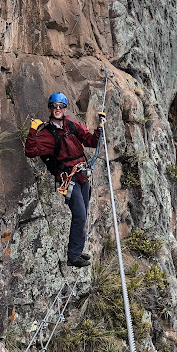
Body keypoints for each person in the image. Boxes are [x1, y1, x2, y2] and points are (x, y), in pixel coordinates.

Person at [25, 92, 105, 268]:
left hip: (82, 175)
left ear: (65, 108)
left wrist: (100, 128)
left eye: (61, 106)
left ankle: (76, 252)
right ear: (50, 108)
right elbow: (30, 151)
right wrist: (33, 131)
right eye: (54, 106)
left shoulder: (73, 126)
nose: (58, 109)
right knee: (80, 214)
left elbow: (91, 141)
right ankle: (73, 257)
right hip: (67, 178)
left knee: (83, 214)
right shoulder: (46, 134)